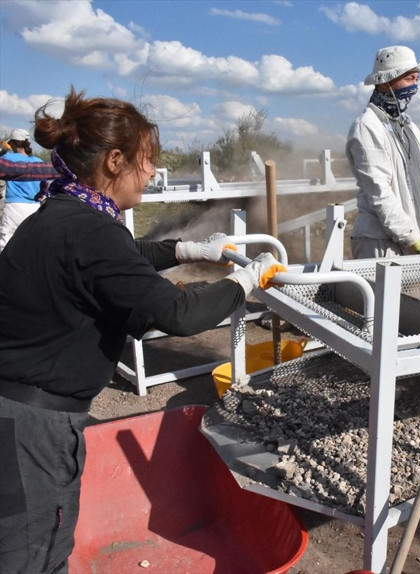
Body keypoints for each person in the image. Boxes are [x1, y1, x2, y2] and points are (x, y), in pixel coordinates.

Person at [0, 87, 284, 574]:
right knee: (33, 557)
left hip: (17, 410)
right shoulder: (90, 230)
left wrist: (185, 250)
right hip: (34, 428)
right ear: (115, 161)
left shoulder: (64, 213)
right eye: (146, 159)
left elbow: (121, 258)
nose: (152, 171)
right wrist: (243, 283)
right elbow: (176, 313)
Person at [346, 45, 420, 259]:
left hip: (408, 237)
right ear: (385, 81)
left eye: (417, 79)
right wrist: (411, 238)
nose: (414, 87)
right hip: (379, 243)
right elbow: (379, 191)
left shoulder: (409, 128)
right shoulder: (367, 126)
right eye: (409, 79)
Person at [0, 129, 47, 251]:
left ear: (13, 143)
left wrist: (4, 149)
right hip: (34, 207)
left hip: (14, 206)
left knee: (6, 242)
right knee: (30, 244)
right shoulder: (38, 162)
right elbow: (45, 186)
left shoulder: (7, 158)